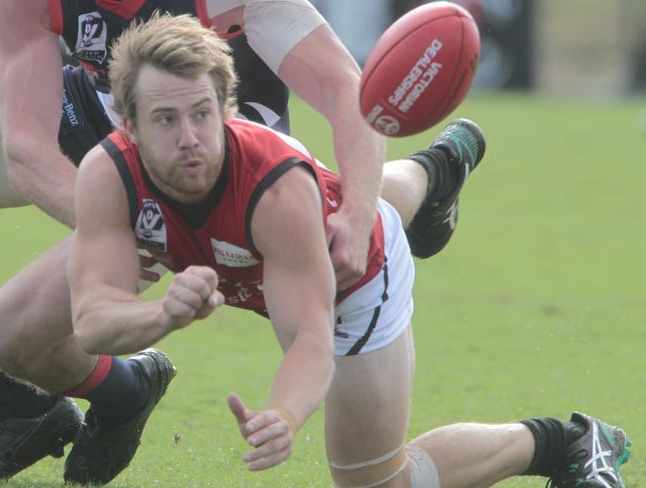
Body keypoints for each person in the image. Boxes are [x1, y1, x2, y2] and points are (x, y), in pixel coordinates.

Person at [66, 14, 631, 487]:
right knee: (342, 202)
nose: (188, 138)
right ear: (129, 127)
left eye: (201, 114)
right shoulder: (107, 174)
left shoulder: (274, 188)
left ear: (227, 111)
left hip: (352, 281)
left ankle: (566, 442)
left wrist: (286, 414)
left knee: (374, 481)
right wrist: (161, 313)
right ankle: (435, 171)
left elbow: (311, 339)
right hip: (306, 233)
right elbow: (92, 321)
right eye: (165, 119)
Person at [0, 0, 469, 479]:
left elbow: (341, 85)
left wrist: (357, 212)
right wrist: (118, 221)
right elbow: (26, 148)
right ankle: (119, 390)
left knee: (328, 219)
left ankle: (427, 174)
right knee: (11, 338)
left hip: (215, 139)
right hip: (109, 116)